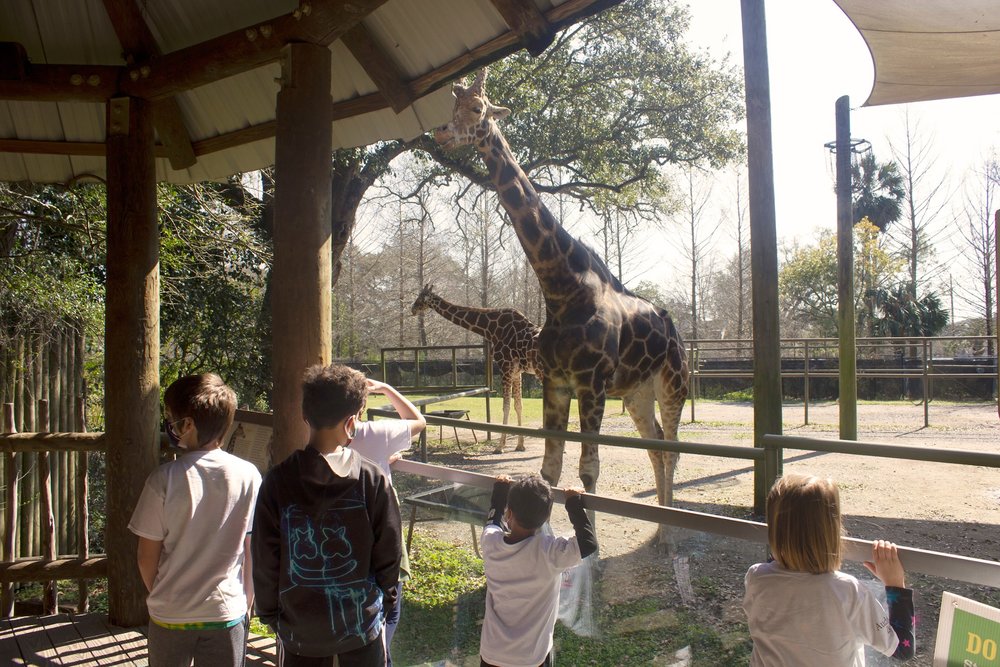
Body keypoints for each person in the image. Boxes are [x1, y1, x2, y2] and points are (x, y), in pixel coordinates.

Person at [252, 363, 402, 667]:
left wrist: (271, 614)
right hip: (362, 631)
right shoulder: (372, 480)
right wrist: (383, 604)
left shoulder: (277, 481)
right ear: (352, 421)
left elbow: (265, 557)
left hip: (299, 635)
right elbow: (390, 555)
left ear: (305, 415)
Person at [128, 373, 262, 667]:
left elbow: (145, 556)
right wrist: (247, 601)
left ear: (187, 425)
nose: (170, 426)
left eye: (171, 419)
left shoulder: (163, 480)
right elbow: (252, 548)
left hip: (171, 614)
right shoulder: (249, 475)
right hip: (226, 612)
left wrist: (167, 594)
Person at [743, 473, 915, 666]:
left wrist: (787, 544)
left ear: (773, 529)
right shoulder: (848, 592)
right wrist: (895, 586)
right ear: (832, 531)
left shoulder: (756, 578)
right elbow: (902, 648)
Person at [479, 474, 598, 667]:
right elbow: (588, 544)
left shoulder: (491, 543)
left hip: (492, 653)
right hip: (531, 658)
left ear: (509, 513)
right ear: (544, 519)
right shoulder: (550, 552)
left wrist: (501, 488)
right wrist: (573, 501)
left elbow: (493, 519)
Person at [348, 377, 425, 667]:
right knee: (390, 611)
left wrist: (381, 459)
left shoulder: (321, 437)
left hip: (346, 543)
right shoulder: (373, 434)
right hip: (381, 535)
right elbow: (418, 421)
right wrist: (388, 389)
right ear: (360, 408)